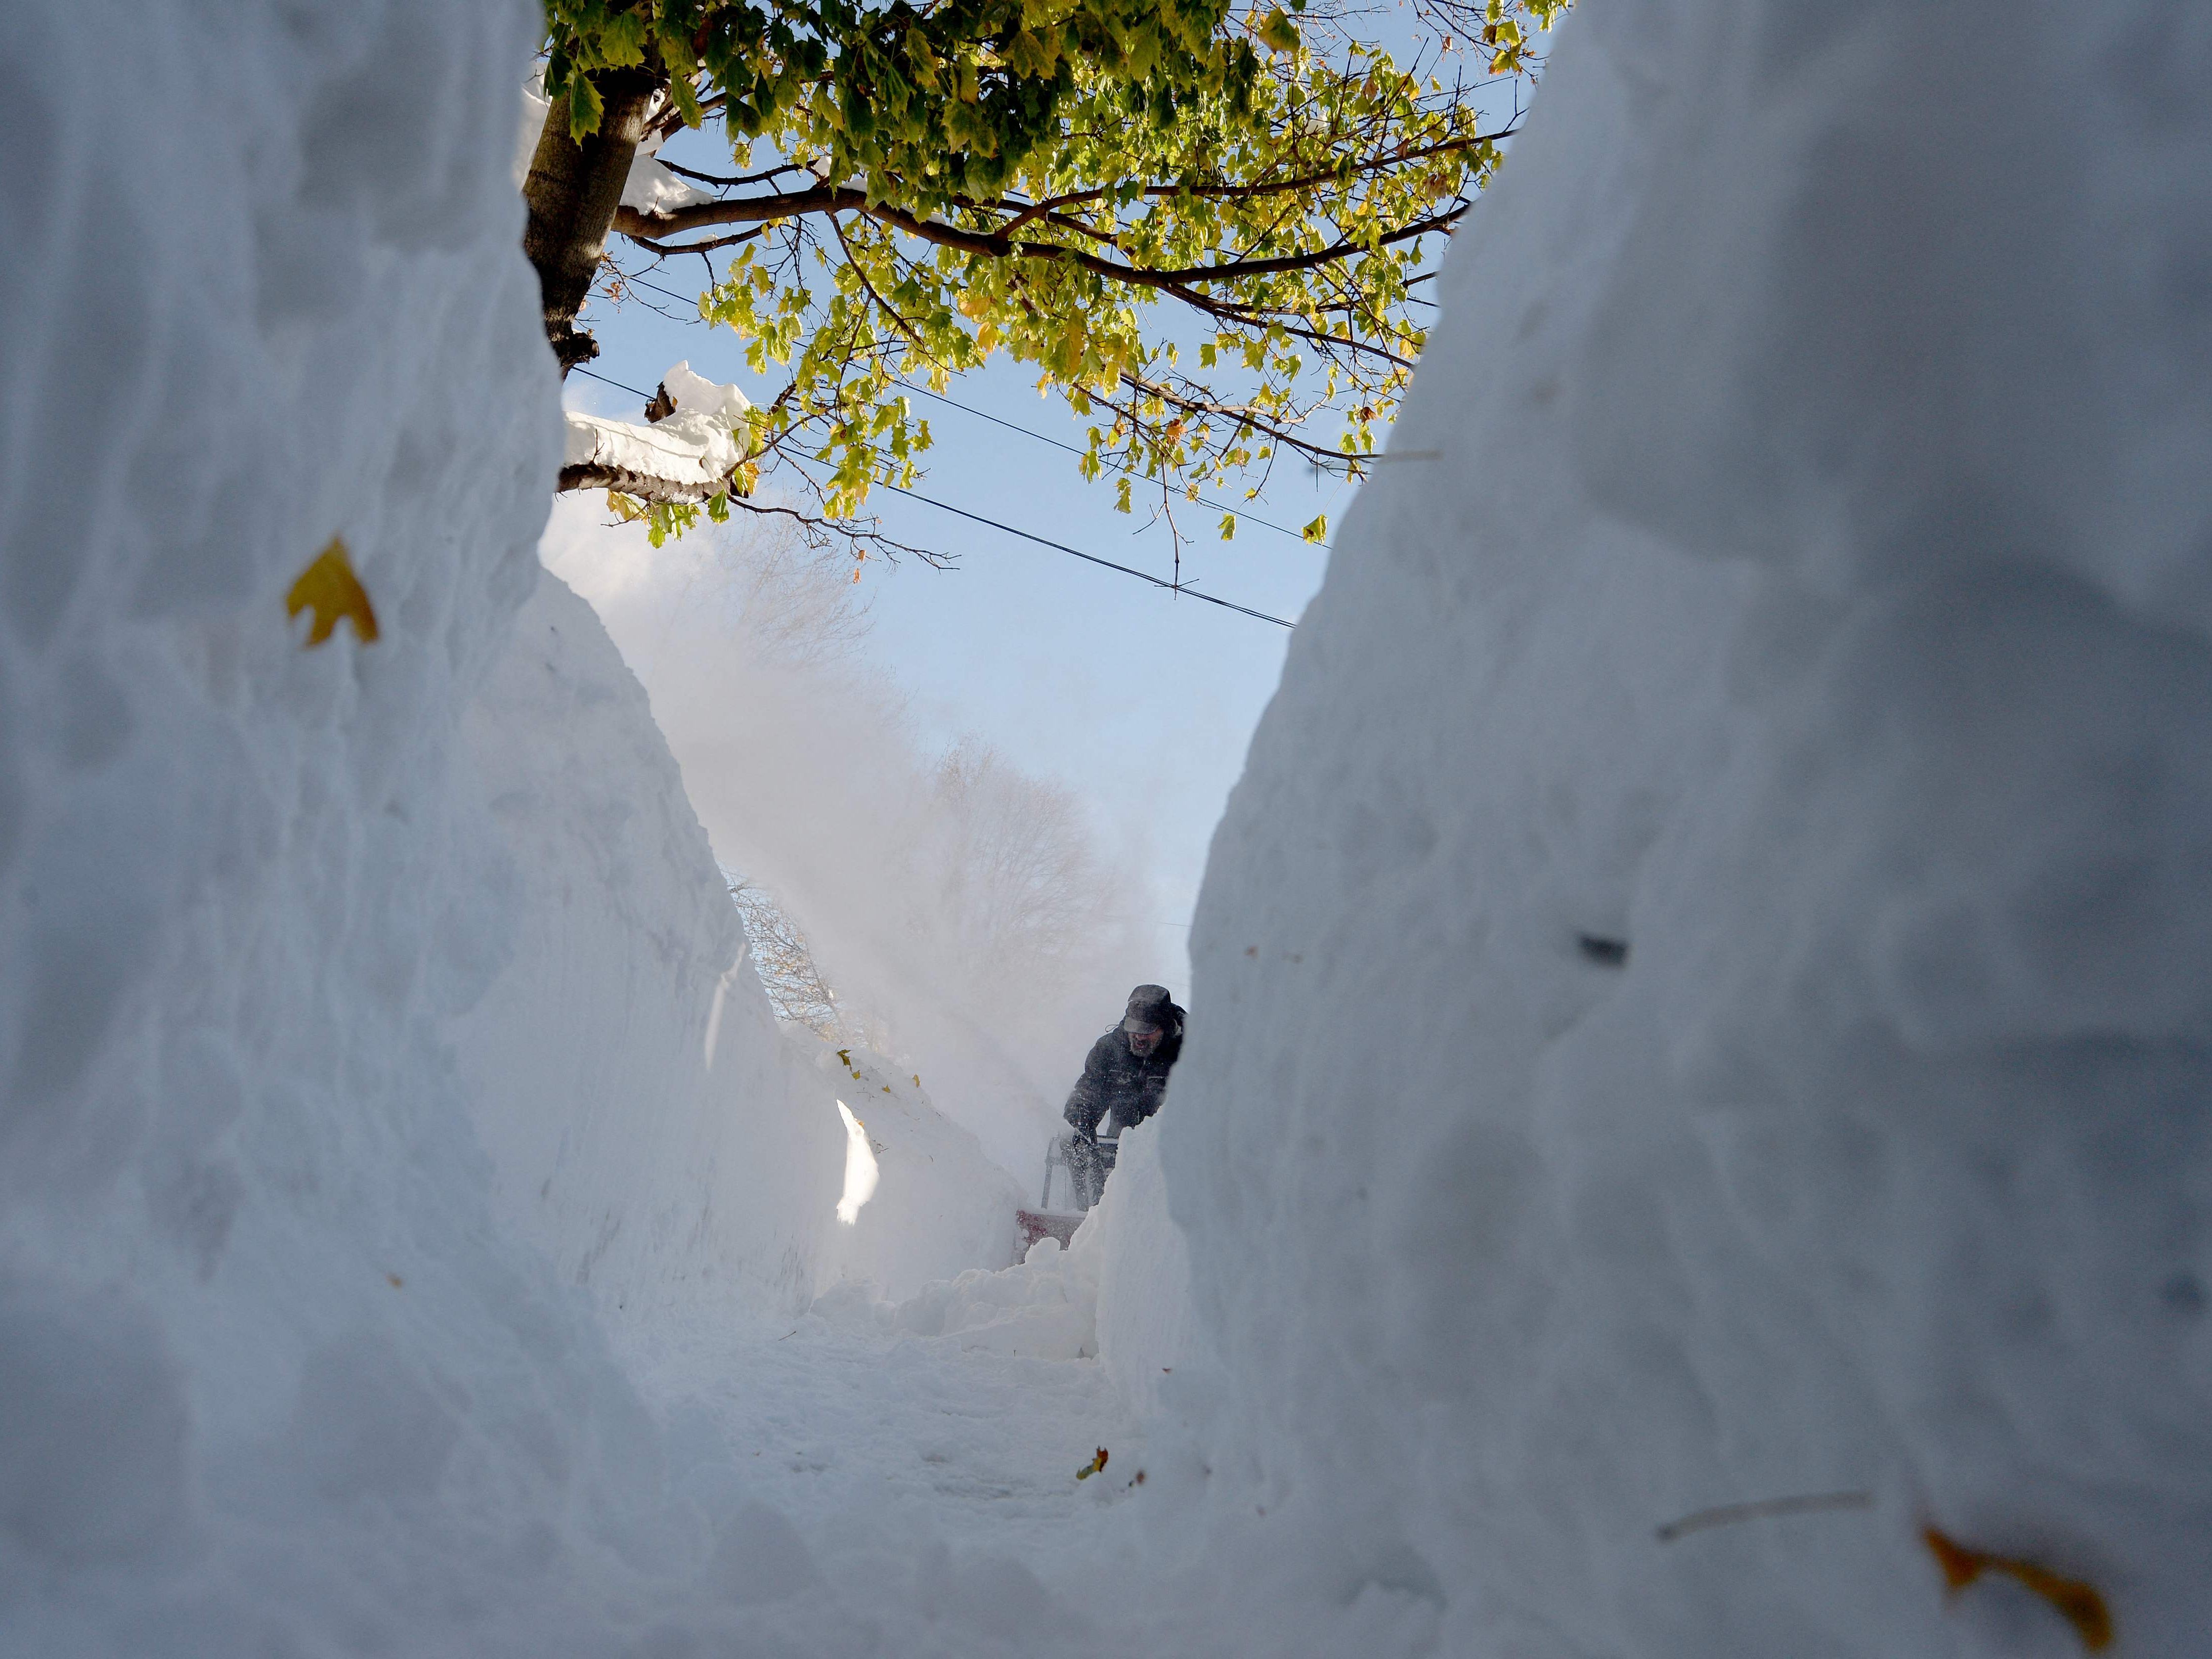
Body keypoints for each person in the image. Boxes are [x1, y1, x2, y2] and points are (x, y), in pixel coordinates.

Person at [1060, 984, 1185, 1208]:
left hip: (1172, 1158)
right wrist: (1079, 1125)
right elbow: (1088, 1090)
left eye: (1147, 1030)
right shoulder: (1109, 1050)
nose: (1138, 1036)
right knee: (1106, 1193)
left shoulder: (1192, 1053)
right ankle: (1090, 1223)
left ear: (1165, 1027)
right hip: (1118, 1148)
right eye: (1134, 1028)